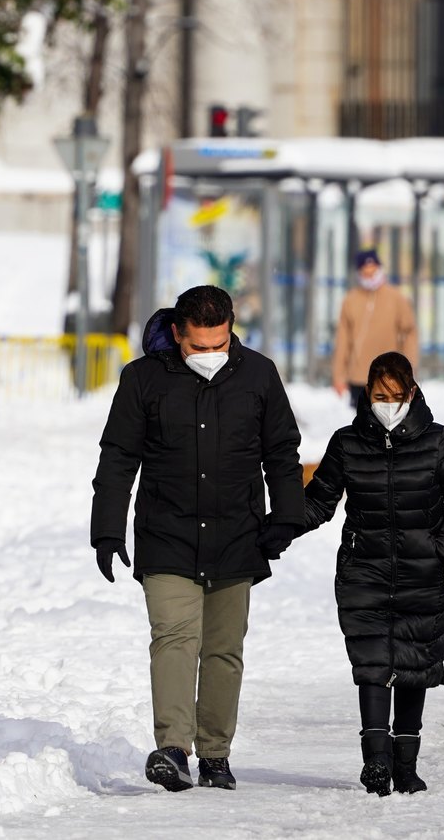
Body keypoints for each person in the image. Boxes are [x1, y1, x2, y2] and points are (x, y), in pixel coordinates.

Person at [91, 285, 306, 793]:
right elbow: (118, 457)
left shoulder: (258, 374)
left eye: (219, 344)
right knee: (173, 638)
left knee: (223, 649)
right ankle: (172, 748)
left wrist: (287, 516)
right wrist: (106, 528)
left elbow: (281, 451)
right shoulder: (142, 380)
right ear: (176, 334)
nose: (210, 356)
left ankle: (214, 753)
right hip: (166, 533)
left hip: (237, 533)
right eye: (198, 347)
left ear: (231, 329)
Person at [300, 351, 444, 796]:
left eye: (397, 396)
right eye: (380, 395)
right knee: (373, 666)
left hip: (425, 574)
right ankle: (376, 762)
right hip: (365, 571)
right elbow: (320, 501)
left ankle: (406, 764)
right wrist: (271, 526)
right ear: (367, 394)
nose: (388, 404)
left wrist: (443, 553)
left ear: (412, 394)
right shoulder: (347, 443)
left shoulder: (438, 442)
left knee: (414, 665)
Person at [332, 249, 419, 410]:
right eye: (366, 273)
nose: (370, 276)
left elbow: (409, 334)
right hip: (359, 377)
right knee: (364, 425)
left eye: (373, 271)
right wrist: (339, 375)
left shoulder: (396, 298)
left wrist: (408, 370)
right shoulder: (350, 300)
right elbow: (343, 340)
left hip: (390, 375)